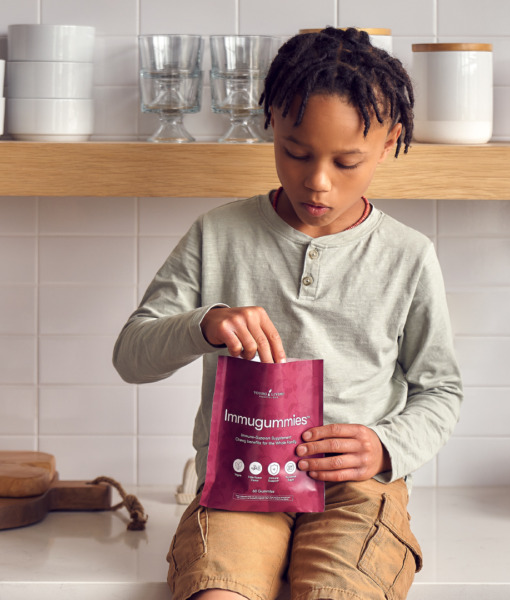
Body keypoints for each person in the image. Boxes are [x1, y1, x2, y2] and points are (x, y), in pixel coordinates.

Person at [113, 27, 462, 600]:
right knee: (217, 591)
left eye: (347, 161)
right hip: (240, 480)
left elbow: (440, 390)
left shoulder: (409, 256)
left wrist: (383, 446)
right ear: (271, 121)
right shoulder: (217, 233)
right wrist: (204, 324)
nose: (317, 181)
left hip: (357, 489)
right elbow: (132, 355)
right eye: (296, 152)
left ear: (390, 141)